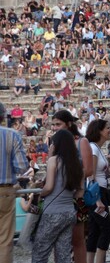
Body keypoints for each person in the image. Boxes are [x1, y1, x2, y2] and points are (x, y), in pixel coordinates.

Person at [32, 129, 84, 263]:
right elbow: (80, 191)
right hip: (69, 213)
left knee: (40, 252)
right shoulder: (77, 163)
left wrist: (39, 193)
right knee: (63, 254)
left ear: (57, 144)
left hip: (53, 212)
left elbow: (49, 187)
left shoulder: (54, 160)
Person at [52, 109, 93, 263]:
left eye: (58, 124)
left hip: (76, 197)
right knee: (58, 242)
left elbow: (89, 169)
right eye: (53, 124)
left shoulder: (81, 142)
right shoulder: (55, 143)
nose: (55, 127)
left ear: (69, 124)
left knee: (78, 241)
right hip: (58, 197)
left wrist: (69, 176)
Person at [0, 101, 28, 263]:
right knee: (4, 241)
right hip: (5, 192)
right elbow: (21, 166)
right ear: (3, 116)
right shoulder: (12, 135)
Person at [85, 119, 110, 263]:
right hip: (96, 194)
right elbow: (91, 175)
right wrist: (97, 200)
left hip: (98, 193)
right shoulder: (93, 148)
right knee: (107, 229)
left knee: (95, 231)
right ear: (99, 131)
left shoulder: (97, 148)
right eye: (108, 128)